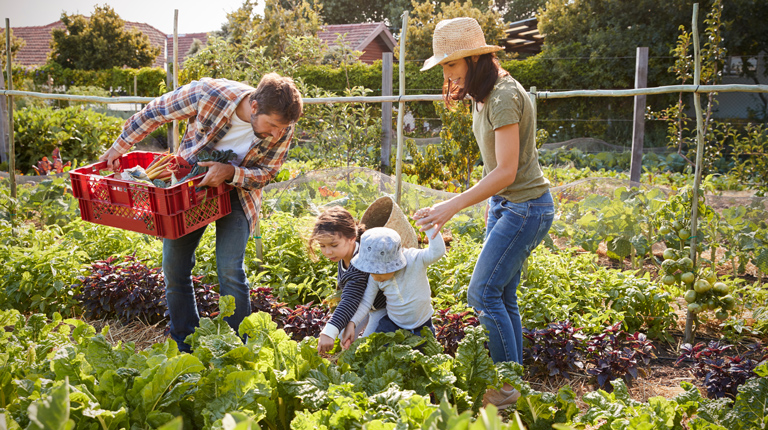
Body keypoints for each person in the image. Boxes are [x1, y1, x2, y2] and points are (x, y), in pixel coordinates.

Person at [99, 74, 304, 353]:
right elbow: (155, 112)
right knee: (175, 266)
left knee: (230, 269)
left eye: (282, 129)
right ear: (254, 106)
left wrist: (230, 172)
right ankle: (185, 342)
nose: (277, 134)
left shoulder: (283, 125)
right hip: (189, 190)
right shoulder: (209, 94)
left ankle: (234, 349)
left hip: (238, 194)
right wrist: (118, 148)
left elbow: (267, 172)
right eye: (272, 126)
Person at [415, 17, 555, 408]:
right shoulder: (483, 94)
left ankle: (507, 390)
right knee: (502, 296)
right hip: (508, 205)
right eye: (443, 65)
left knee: (481, 293)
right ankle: (512, 384)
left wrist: (451, 206)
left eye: (450, 64)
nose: (447, 74)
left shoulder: (504, 95)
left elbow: (507, 171)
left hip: (526, 208)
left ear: (475, 59)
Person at [341, 224, 445, 348]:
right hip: (393, 324)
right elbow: (365, 302)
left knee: (423, 359)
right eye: (370, 271)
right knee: (376, 351)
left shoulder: (415, 259)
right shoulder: (375, 277)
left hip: (422, 325)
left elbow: (437, 252)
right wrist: (352, 323)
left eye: (377, 271)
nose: (374, 277)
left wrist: (428, 225)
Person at [309, 206, 387, 353]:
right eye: (322, 246)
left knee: (365, 349)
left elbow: (350, 299)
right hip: (365, 306)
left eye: (333, 245)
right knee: (342, 340)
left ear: (352, 238)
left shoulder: (360, 262)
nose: (327, 251)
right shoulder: (344, 254)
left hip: (382, 309)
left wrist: (328, 332)